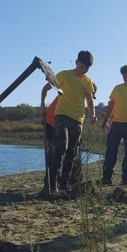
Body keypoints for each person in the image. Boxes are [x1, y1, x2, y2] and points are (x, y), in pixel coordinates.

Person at [40, 51, 97, 194]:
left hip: (78, 120)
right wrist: (42, 103)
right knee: (61, 146)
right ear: (77, 62)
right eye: (83, 66)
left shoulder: (87, 81)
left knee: (72, 152)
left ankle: (64, 184)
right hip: (62, 116)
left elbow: (89, 100)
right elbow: (46, 88)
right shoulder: (64, 75)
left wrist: (93, 115)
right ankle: (52, 185)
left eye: (87, 68)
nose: (84, 70)